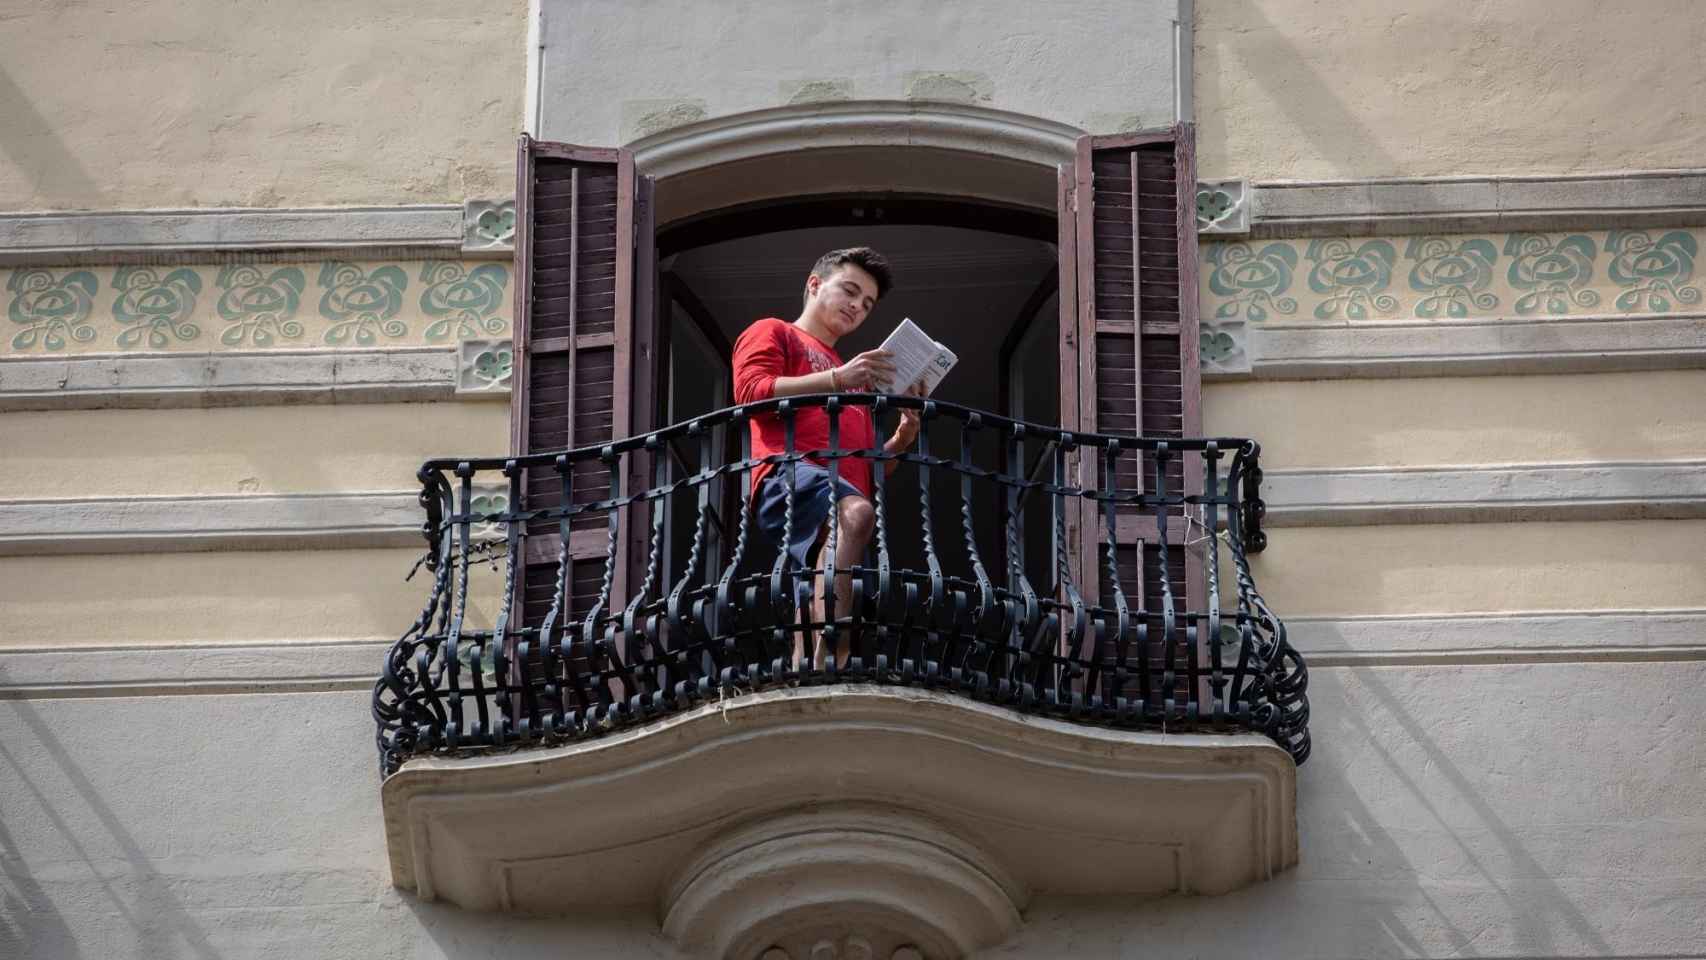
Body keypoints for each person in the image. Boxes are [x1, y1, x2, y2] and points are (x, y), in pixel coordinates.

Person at [730, 246, 922, 670]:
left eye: (867, 303)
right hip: (789, 472)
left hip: (837, 490)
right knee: (855, 515)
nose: (857, 306)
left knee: (815, 584)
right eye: (850, 291)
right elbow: (749, 394)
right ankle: (834, 652)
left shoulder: (854, 377)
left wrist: (903, 436)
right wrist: (836, 378)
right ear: (815, 285)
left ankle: (812, 668)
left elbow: (870, 465)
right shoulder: (775, 331)